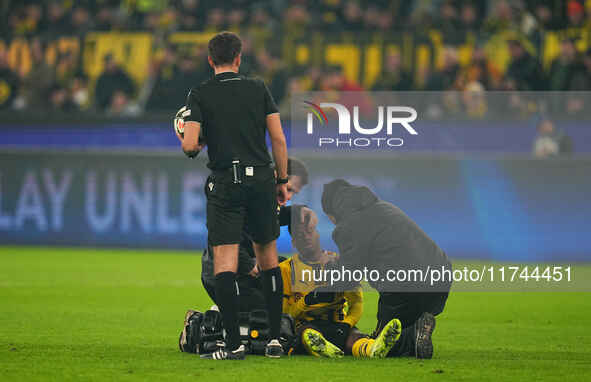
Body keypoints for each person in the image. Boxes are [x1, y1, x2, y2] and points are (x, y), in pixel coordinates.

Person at [174, 31, 289, 360]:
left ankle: (234, 343)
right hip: (261, 180)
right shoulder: (258, 88)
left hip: (227, 182)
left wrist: (190, 137)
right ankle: (274, 341)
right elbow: (278, 139)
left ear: (211, 61)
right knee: (268, 261)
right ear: (239, 58)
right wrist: (281, 179)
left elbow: (190, 146)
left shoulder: (200, 94)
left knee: (225, 264)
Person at [321, 179, 452, 359]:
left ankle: (413, 334)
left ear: (331, 213)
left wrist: (328, 267)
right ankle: (417, 325)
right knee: (393, 329)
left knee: (383, 345)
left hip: (405, 288)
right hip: (440, 280)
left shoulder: (348, 225)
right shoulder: (384, 208)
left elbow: (348, 277)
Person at [280, 207, 402, 359]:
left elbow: (356, 302)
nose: (305, 237)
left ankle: (372, 349)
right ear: (293, 242)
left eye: (309, 232)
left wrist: (347, 324)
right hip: (306, 325)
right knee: (308, 334)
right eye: (300, 235)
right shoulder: (285, 269)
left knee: (355, 337)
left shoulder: (340, 263)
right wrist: (308, 301)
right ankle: (323, 348)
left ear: (317, 233)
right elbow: (285, 315)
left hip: (339, 325)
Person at [201, 157, 312, 313]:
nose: (288, 196)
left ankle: (224, 312)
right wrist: (248, 264)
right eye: (289, 189)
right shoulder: (243, 194)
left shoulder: (264, 197)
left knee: (290, 272)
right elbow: (221, 233)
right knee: (278, 310)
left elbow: (271, 217)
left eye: (293, 192)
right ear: (276, 176)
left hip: (242, 270)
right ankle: (210, 320)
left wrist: (298, 211)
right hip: (225, 273)